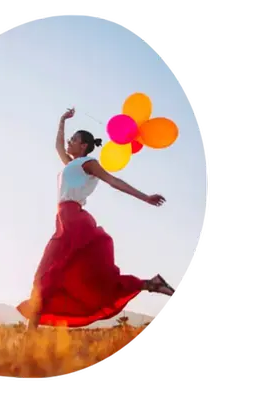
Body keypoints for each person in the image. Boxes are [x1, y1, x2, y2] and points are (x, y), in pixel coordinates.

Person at [17, 108, 176, 331]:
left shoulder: (89, 163)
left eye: (74, 140)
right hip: (64, 221)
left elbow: (114, 181)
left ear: (83, 146)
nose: (69, 142)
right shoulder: (70, 164)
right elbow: (59, 147)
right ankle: (151, 284)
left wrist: (145, 197)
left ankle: (29, 335)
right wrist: (62, 121)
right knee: (59, 276)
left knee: (49, 275)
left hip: (74, 221)